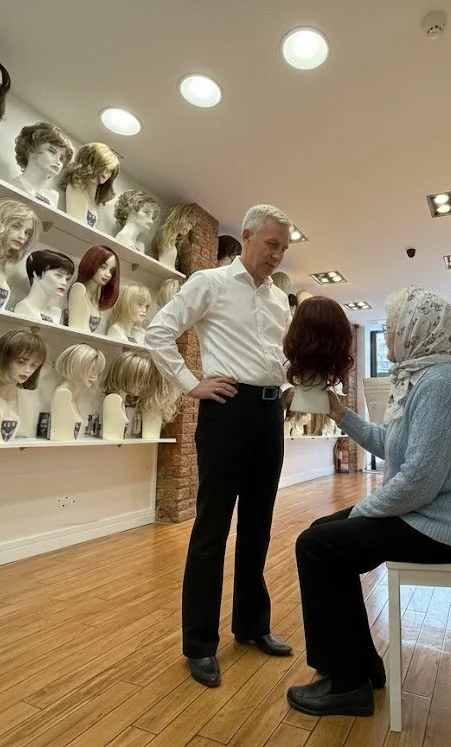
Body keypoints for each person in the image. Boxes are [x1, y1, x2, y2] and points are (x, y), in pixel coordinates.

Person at [286, 285, 451, 717]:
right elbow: (391, 445)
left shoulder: (440, 384)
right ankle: (359, 666)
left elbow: (418, 480)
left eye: (395, 326)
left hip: (447, 527)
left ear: (416, 330)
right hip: (432, 517)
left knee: (317, 545)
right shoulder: (424, 379)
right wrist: (341, 414)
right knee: (319, 536)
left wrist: (363, 510)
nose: (389, 335)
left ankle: (346, 683)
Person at [146, 204, 294, 688]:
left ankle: (252, 626)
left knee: (258, 528)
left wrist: (293, 386)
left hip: (271, 415)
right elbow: (159, 332)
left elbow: (278, 357)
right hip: (226, 410)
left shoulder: (279, 300)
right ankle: (200, 645)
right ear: (247, 236)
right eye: (271, 244)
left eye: (284, 248)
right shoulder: (208, 282)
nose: (277, 255)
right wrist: (191, 383)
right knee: (211, 529)